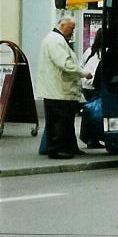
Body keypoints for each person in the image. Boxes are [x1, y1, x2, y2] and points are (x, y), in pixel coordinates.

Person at [35, 16, 92, 159]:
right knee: (60, 122)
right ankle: (57, 149)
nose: (73, 32)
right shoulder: (56, 40)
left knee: (65, 121)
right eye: (71, 28)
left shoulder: (55, 39)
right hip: (58, 90)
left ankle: (70, 147)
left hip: (59, 89)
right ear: (62, 25)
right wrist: (83, 72)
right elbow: (64, 64)